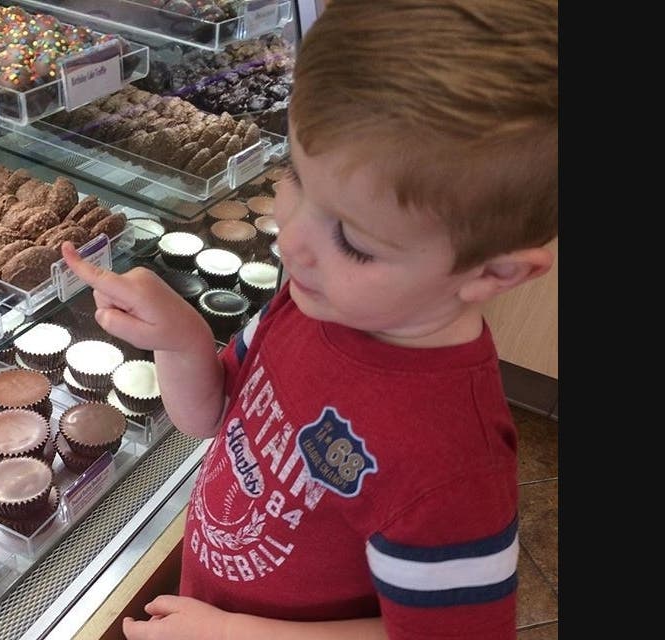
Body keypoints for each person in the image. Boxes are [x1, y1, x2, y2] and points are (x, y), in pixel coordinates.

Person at [61, 0, 557, 637]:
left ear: (495, 274)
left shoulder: (450, 465)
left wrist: (234, 633)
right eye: (295, 177)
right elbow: (213, 418)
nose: (288, 237)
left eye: (352, 238)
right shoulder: (309, 301)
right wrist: (183, 341)